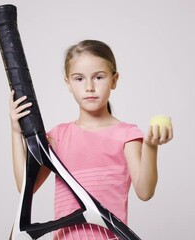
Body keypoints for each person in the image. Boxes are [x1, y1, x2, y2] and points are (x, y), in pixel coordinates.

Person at [9, 40, 173, 239]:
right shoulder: (57, 136)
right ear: (67, 83)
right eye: (79, 79)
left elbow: (145, 192)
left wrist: (150, 146)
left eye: (99, 77)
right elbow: (26, 187)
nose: (89, 87)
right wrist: (16, 133)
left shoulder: (127, 134)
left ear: (114, 80)